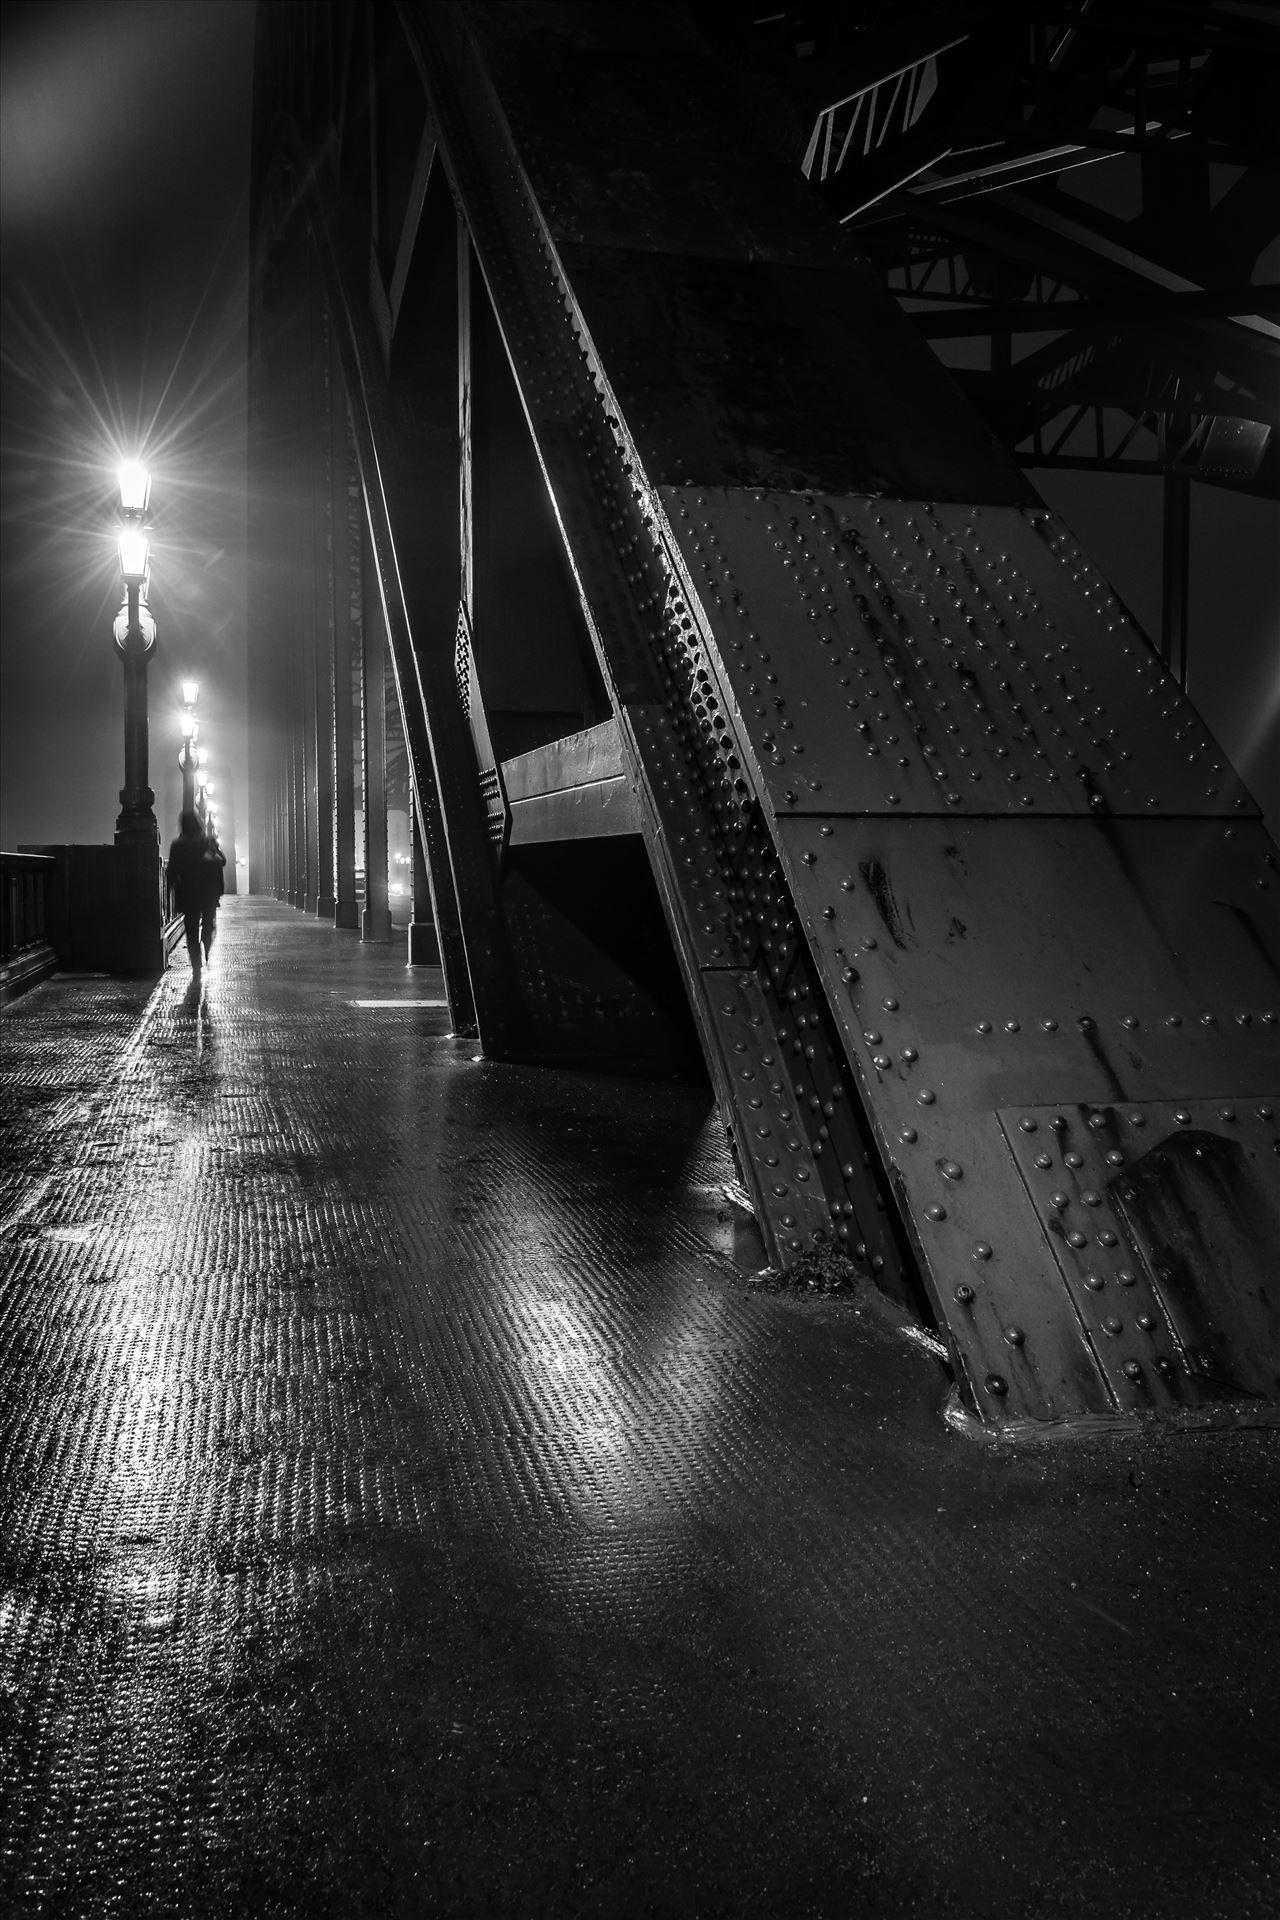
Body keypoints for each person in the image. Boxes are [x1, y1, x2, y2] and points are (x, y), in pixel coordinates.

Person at [167, 810, 222, 974]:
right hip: (207, 893)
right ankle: (206, 942)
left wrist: (171, 886)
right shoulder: (207, 842)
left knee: (191, 930)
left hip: (188, 893)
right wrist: (218, 890)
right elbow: (217, 866)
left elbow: (171, 871)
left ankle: (196, 964)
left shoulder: (177, 845)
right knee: (208, 924)